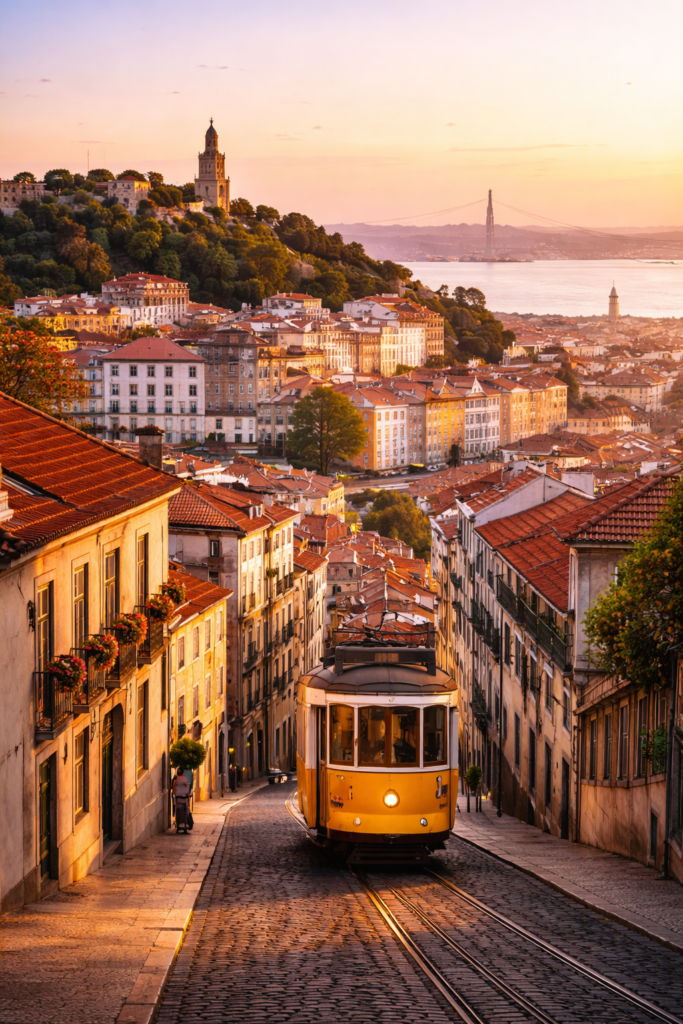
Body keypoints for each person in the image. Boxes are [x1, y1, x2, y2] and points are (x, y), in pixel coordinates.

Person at [172, 767, 190, 833]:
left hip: (178, 799)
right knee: (185, 812)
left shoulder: (176, 780)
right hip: (184, 799)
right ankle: (185, 826)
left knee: (178, 812)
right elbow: (187, 789)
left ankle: (178, 826)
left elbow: (174, 791)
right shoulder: (185, 779)